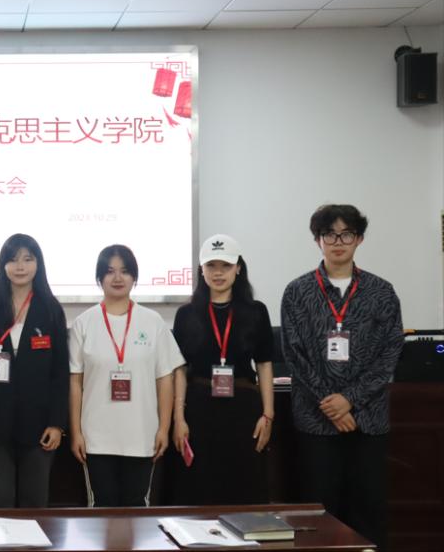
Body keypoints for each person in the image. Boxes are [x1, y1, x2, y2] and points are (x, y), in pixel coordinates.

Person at [281, 204, 402, 551]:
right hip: (316, 422)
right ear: (317, 240)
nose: (338, 242)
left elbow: (390, 352)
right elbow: (294, 355)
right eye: (329, 234)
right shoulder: (297, 292)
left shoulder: (381, 291)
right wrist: (331, 404)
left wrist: (350, 399)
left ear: (359, 239)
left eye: (346, 234)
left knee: (368, 511)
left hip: (368, 422)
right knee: (317, 514)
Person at [69, 244, 183, 507]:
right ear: (100, 278)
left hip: (141, 436)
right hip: (96, 439)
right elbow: (75, 382)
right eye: (110, 271)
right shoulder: (84, 323)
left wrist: (163, 428)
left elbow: (165, 379)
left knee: (136, 510)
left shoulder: (153, 322)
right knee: (102, 510)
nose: (118, 278)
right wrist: (76, 432)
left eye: (125, 271)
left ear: (134, 277)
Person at [169, 234, 275, 505]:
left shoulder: (256, 311)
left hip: (244, 410)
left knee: (244, 486)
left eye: (225, 266)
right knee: (200, 487)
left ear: (238, 268)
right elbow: (179, 369)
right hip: (199, 410)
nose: (218, 273)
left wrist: (268, 415)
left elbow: (264, 364)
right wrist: (179, 418)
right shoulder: (186, 314)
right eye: (211, 266)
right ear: (201, 270)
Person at [0, 233, 69, 508]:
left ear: (38, 264)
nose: (20, 266)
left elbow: (60, 373)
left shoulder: (51, 310)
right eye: (13, 260)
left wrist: (57, 423)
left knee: (34, 504)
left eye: (28, 259)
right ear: (3, 265)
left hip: (39, 427)